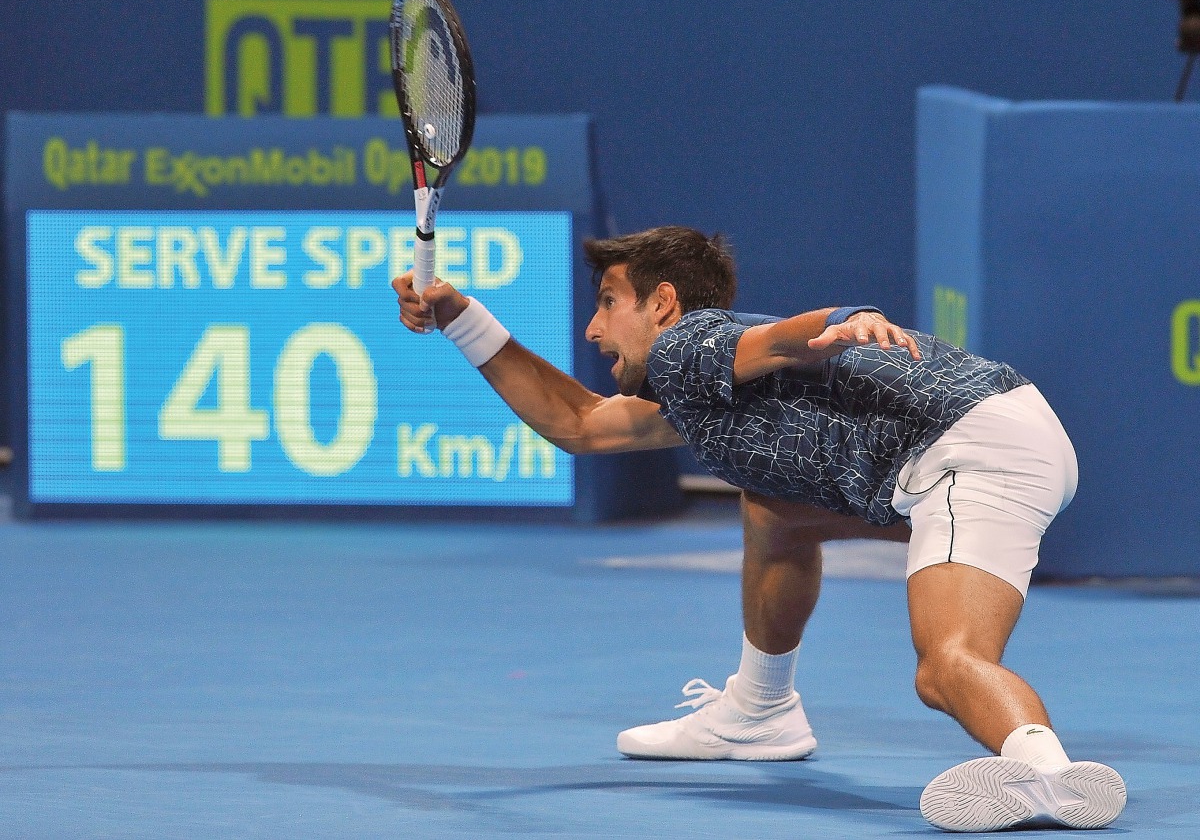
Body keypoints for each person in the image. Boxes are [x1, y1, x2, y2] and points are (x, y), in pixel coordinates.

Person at [392, 225, 1126, 832]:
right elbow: (578, 422)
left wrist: (845, 319)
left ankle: (1048, 774)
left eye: (609, 302)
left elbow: (783, 340)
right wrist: (461, 317)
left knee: (945, 663)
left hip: (970, 450)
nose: (593, 327)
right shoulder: (701, 391)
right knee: (771, 511)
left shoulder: (686, 345)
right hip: (1001, 435)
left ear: (663, 303)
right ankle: (760, 709)